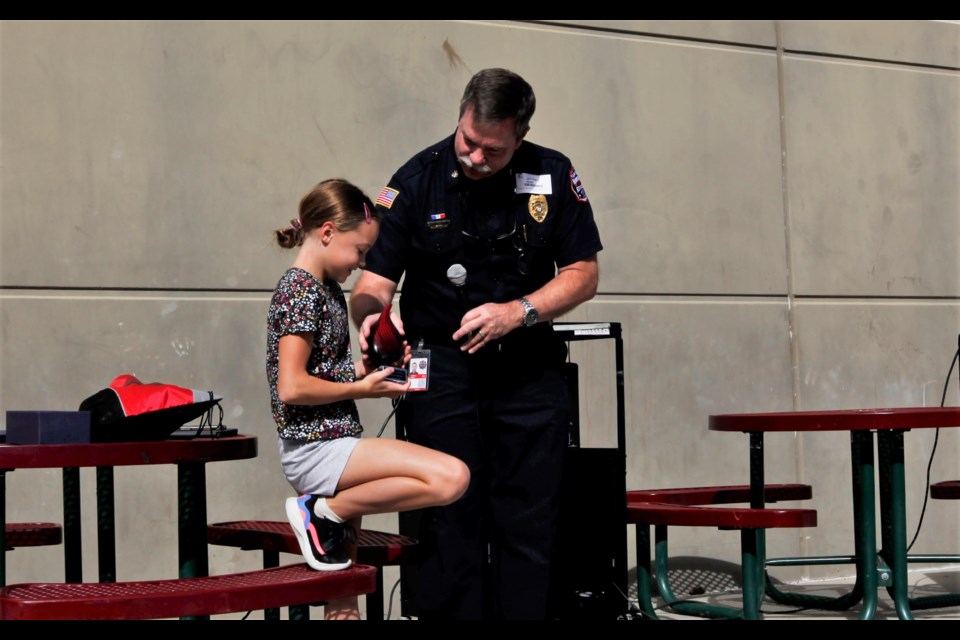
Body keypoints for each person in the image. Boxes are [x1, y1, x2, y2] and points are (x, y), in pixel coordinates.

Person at [349, 68, 603, 620]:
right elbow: (371, 287)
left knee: (530, 519)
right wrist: (373, 319)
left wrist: (520, 311)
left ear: (520, 136)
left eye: (493, 149)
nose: (475, 156)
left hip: (528, 368)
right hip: (440, 370)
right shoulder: (417, 180)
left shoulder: (553, 173)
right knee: (448, 519)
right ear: (460, 115)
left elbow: (583, 272)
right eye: (468, 140)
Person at [266, 177, 471, 620]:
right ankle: (321, 511)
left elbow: (323, 375)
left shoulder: (323, 291)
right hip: (318, 449)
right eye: (359, 251)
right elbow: (292, 387)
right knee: (451, 477)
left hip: (333, 444)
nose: (362, 264)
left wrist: (373, 368)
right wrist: (362, 388)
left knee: (344, 598)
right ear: (326, 232)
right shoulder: (300, 291)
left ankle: (327, 516)